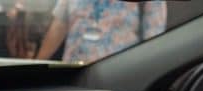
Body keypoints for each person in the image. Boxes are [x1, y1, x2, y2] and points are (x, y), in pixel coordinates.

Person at [36, 0, 166, 63]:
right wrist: (38, 65)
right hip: (73, 74)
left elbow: (153, 41)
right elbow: (59, 24)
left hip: (117, 78)